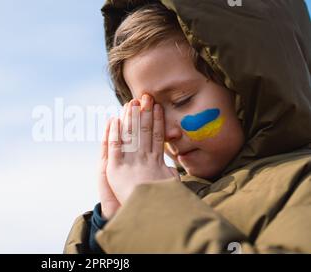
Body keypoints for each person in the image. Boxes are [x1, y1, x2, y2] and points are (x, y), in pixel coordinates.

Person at [64, 0, 311, 253]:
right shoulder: (169, 192)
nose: (166, 133)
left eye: (182, 100)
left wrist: (153, 208)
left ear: (246, 87)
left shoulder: (302, 186)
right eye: (151, 112)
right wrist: (111, 228)